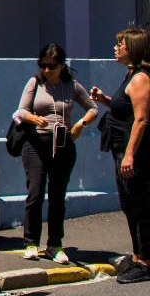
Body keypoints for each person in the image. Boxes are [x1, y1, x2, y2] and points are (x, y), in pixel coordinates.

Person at [12, 44, 98, 263]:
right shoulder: (35, 83)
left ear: (62, 66)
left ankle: (55, 244)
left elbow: (92, 108)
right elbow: (21, 110)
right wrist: (34, 118)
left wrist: (80, 124)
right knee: (35, 192)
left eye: (52, 66)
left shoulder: (72, 86)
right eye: (43, 65)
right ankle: (31, 242)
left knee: (57, 196)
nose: (47, 70)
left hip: (63, 143)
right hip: (36, 143)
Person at [89, 27, 150, 284]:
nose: (115, 48)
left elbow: (141, 119)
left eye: (120, 44)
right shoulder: (130, 75)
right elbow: (125, 108)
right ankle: (137, 257)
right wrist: (105, 99)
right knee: (129, 204)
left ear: (132, 48)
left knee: (140, 205)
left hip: (135, 153)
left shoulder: (141, 79)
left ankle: (145, 262)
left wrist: (130, 155)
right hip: (121, 149)